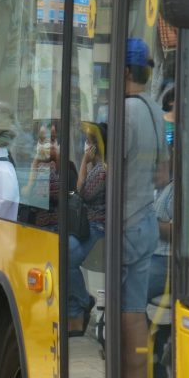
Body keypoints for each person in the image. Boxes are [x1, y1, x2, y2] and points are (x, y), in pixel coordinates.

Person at [120, 37, 167, 378]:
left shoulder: (121, 114)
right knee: (135, 315)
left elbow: (109, 174)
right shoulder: (154, 111)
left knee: (124, 316)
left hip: (124, 225)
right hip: (148, 222)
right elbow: (162, 175)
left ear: (123, 73)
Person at [67, 122, 107, 336]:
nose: (86, 145)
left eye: (89, 141)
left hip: (96, 225)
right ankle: (76, 309)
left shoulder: (101, 170)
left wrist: (83, 162)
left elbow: (80, 191)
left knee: (68, 255)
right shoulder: (98, 166)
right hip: (87, 224)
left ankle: (82, 301)